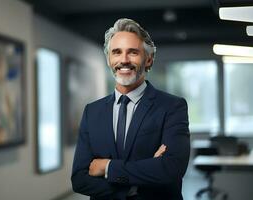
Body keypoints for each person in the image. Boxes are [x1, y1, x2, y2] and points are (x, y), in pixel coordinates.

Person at [71, 18, 190, 200]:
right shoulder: (92, 112)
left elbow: (171, 169)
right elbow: (79, 179)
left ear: (148, 59)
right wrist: (134, 184)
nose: (124, 60)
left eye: (133, 52)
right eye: (116, 52)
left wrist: (107, 167)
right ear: (109, 60)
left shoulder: (172, 107)